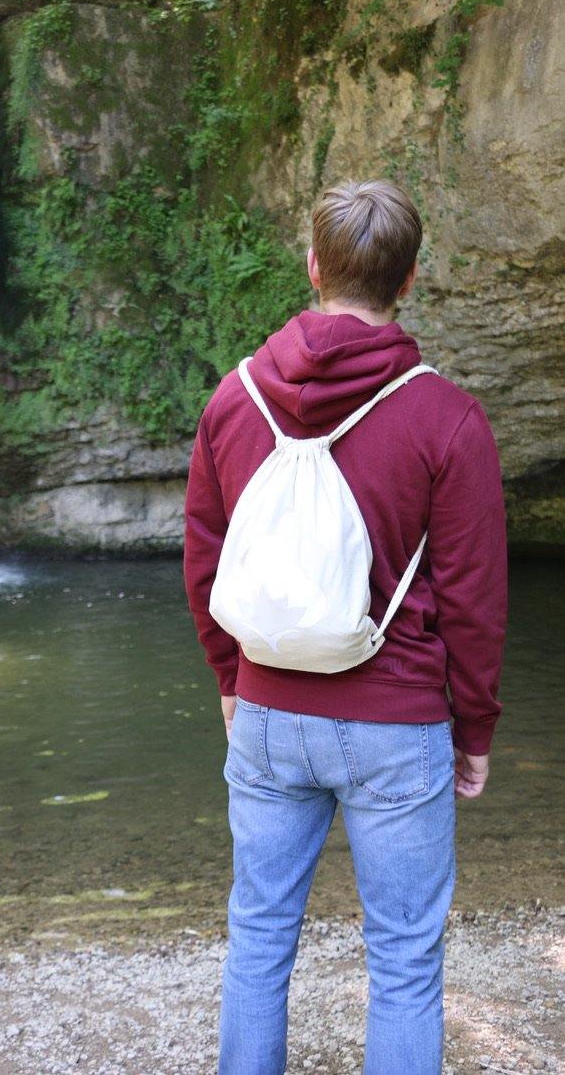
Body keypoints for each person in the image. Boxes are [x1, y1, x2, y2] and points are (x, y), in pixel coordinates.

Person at [182, 179, 508, 1075]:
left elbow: (205, 562)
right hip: (398, 723)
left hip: (267, 712)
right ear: (410, 280)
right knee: (403, 961)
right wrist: (475, 730)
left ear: (313, 267)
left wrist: (229, 680)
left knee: (258, 936)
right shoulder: (448, 418)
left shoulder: (233, 399)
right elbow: (474, 601)